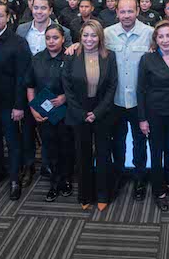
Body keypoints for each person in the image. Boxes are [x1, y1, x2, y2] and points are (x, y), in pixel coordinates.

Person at [0, 2, 33, 200]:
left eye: (0, 16)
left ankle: (14, 178)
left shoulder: (18, 42)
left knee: (12, 141)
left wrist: (19, 105)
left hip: (9, 103)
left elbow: (22, 77)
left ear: (8, 18)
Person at [63, 20, 118, 211]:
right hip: (78, 111)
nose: (89, 39)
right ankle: (85, 194)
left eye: (94, 35)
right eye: (85, 35)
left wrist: (97, 112)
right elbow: (67, 87)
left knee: (103, 154)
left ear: (100, 37)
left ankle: (103, 194)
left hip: (102, 111)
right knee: (82, 154)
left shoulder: (109, 56)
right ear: (80, 36)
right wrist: (81, 113)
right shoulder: (71, 56)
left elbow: (112, 86)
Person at [103, 0, 154, 201]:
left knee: (140, 142)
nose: (126, 15)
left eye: (130, 11)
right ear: (116, 12)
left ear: (137, 11)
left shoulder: (150, 33)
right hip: (114, 100)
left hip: (139, 101)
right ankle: (118, 175)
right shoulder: (107, 34)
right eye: (122, 11)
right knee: (117, 142)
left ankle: (140, 177)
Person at [137, 20, 169, 211]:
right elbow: (140, 90)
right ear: (155, 39)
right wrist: (142, 119)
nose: (165, 40)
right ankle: (159, 191)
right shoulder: (147, 59)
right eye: (161, 36)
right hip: (154, 113)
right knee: (156, 153)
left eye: (168, 35)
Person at [26, 24, 74, 202]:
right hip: (44, 111)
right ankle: (54, 182)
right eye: (48, 38)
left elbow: (78, 85)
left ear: (63, 39)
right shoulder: (37, 59)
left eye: (55, 38)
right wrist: (32, 108)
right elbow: (30, 85)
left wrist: (64, 97)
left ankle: (66, 179)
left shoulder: (70, 58)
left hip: (66, 110)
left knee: (66, 146)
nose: (51, 41)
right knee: (49, 147)